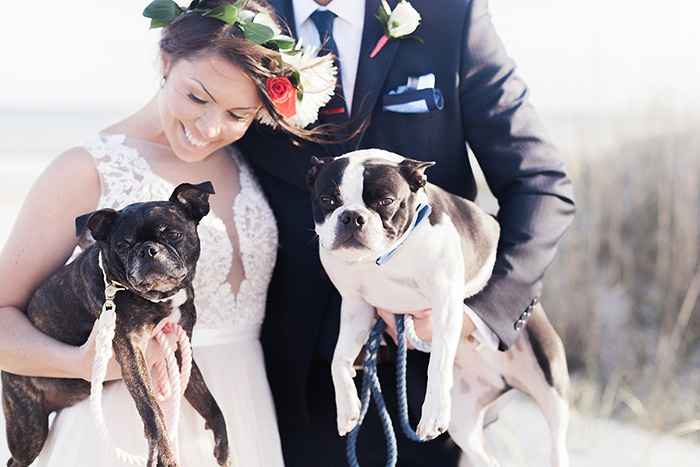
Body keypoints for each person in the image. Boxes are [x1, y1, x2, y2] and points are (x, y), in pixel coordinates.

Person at [236, 0, 576, 465]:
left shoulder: (451, 16)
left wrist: (474, 313)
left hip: (436, 385)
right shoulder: (234, 18)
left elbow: (541, 184)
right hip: (289, 384)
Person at [0, 0, 336, 465]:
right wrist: (80, 363)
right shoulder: (84, 169)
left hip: (246, 410)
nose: (209, 127)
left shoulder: (253, 160)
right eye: (197, 97)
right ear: (164, 61)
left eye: (238, 113)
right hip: (122, 426)